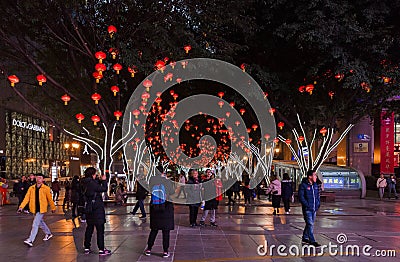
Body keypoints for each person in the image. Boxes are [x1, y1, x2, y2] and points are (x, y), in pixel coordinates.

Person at [18, 173, 56, 247]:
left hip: (41, 209)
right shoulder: (31, 188)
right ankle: (48, 233)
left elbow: (50, 199)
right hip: (34, 208)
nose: (38, 179)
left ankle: (31, 240)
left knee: (35, 224)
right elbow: (26, 198)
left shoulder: (46, 188)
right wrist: (21, 207)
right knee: (40, 222)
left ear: (43, 179)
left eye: (40, 178)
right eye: (37, 177)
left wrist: (53, 207)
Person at [144, 171, 175, 258]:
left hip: (155, 208)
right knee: (166, 231)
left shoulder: (152, 181)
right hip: (166, 208)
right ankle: (165, 251)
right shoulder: (167, 181)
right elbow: (172, 192)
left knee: (154, 230)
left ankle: (149, 249)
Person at [82, 167, 111, 256]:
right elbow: (103, 189)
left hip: (88, 208)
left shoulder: (83, 182)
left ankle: (87, 247)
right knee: (100, 229)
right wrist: (104, 181)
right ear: (92, 174)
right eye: (95, 174)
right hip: (96, 208)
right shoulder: (92, 183)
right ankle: (101, 249)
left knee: (89, 228)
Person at [299, 170, 321, 247]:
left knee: (309, 224)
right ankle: (312, 240)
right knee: (310, 224)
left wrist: (318, 204)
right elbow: (301, 197)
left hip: (314, 208)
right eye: (314, 175)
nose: (316, 177)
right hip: (307, 209)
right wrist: (307, 205)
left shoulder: (315, 185)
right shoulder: (303, 185)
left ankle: (305, 237)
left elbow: (317, 196)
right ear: (310, 176)